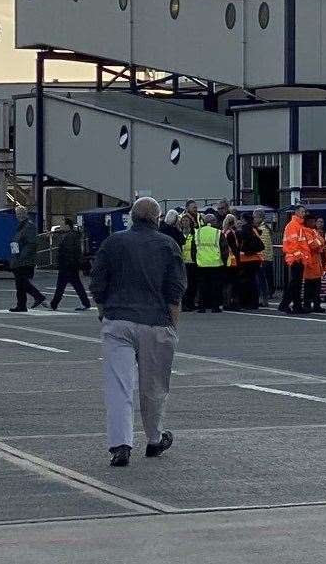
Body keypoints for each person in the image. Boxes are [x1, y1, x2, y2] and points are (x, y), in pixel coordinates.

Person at [89, 197, 184, 468]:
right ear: (157, 218)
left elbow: (97, 283)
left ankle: (120, 446)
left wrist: (102, 311)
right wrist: (172, 327)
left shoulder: (113, 242)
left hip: (117, 321)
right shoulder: (168, 245)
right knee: (153, 386)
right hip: (156, 322)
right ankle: (154, 439)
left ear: (131, 217)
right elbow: (175, 293)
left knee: (119, 386)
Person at [7, 205, 45, 312]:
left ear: (25, 214)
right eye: (17, 213)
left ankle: (38, 297)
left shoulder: (29, 226)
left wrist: (21, 256)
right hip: (18, 259)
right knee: (20, 284)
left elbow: (31, 244)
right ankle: (22, 305)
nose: (18, 216)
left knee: (22, 282)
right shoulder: (21, 226)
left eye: (20, 213)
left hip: (24, 260)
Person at [49, 216, 91, 311]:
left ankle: (54, 304)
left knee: (66, 286)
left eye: (62, 225)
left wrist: (66, 262)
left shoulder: (70, 237)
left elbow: (69, 251)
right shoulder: (71, 235)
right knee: (65, 285)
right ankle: (54, 304)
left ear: (67, 226)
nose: (60, 227)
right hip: (69, 265)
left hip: (68, 265)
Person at [190, 213, 224, 313]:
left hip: (201, 263)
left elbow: (193, 249)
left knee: (202, 287)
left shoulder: (198, 232)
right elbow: (224, 248)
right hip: (216, 263)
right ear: (213, 222)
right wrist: (225, 262)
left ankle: (202, 307)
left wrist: (195, 260)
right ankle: (215, 307)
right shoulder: (218, 232)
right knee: (216, 286)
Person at [280, 206, 310, 314]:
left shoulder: (297, 225)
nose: (304, 213)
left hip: (297, 258)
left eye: (304, 212)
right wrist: (300, 256)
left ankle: (296, 306)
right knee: (294, 284)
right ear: (296, 212)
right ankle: (285, 304)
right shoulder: (293, 225)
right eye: (302, 212)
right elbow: (293, 244)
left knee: (296, 284)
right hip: (295, 258)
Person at [232, 215, 265, 310]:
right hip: (256, 258)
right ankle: (254, 302)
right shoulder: (254, 229)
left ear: (243, 220)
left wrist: (237, 232)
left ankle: (248, 302)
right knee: (253, 280)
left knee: (247, 281)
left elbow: (243, 238)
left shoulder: (246, 229)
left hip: (247, 259)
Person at [304, 215, 326, 313]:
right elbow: (313, 245)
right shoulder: (306, 232)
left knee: (316, 286)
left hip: (315, 262)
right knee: (309, 286)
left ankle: (315, 305)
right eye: (313, 221)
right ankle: (308, 305)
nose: (314, 223)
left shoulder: (312, 232)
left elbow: (320, 242)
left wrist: (319, 242)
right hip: (310, 262)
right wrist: (319, 242)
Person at [176, 211, 198, 310]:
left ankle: (191, 303)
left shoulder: (194, 233)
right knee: (184, 284)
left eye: (187, 220)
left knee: (192, 284)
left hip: (192, 262)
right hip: (183, 262)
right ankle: (184, 304)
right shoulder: (179, 234)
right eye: (183, 220)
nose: (185, 222)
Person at [255, 212, 274, 307]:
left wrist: (261, 258)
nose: (254, 219)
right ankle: (264, 298)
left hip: (263, 258)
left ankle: (263, 299)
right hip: (267, 257)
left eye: (255, 217)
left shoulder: (262, 230)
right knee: (263, 279)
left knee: (261, 280)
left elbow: (262, 246)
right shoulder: (266, 228)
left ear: (260, 217)